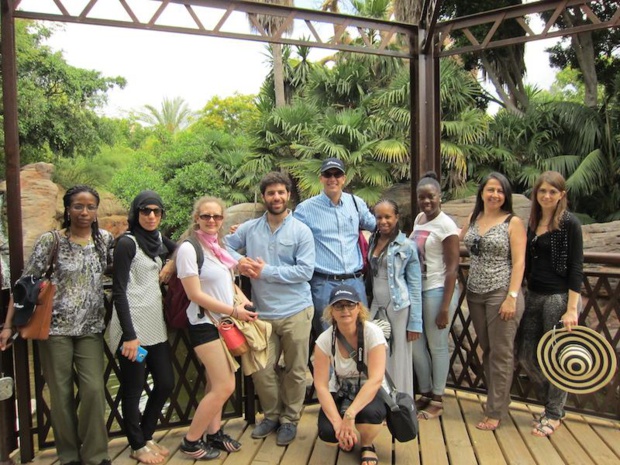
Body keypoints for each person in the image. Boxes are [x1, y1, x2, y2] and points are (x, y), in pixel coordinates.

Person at [0, 185, 114, 465]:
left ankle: (96, 455)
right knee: (60, 393)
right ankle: (69, 455)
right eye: (78, 206)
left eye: (90, 207)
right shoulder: (51, 241)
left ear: (96, 210)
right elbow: (24, 285)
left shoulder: (105, 240)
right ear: (67, 209)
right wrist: (7, 325)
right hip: (55, 329)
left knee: (94, 391)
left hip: (90, 328)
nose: (84, 212)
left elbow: (118, 269)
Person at [225, 172, 315, 446]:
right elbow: (223, 246)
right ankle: (272, 416)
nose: (276, 197)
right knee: (262, 369)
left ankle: (290, 420)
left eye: (281, 192)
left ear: (288, 196)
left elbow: (306, 270)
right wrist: (241, 262)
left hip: (297, 310)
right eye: (271, 193)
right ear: (264, 197)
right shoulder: (250, 228)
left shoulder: (301, 230)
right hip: (262, 314)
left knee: (296, 370)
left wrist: (265, 272)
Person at [176, 196, 258, 460]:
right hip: (204, 323)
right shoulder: (190, 249)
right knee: (225, 386)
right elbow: (195, 294)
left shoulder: (216, 246)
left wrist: (242, 300)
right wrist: (234, 311)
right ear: (196, 218)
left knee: (214, 382)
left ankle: (214, 433)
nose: (211, 221)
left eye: (216, 217)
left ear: (222, 220)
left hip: (222, 321)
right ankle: (190, 440)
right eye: (206, 216)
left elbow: (225, 280)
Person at [110, 191, 176, 463]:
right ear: (136, 213)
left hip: (155, 327)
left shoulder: (158, 239)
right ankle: (137, 445)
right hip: (132, 329)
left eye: (156, 212)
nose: (151, 216)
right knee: (134, 387)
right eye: (145, 211)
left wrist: (171, 262)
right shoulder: (127, 244)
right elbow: (118, 292)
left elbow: (183, 248)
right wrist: (129, 336)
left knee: (165, 383)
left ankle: (147, 435)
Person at [517, 171, 583, 437]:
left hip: (558, 297)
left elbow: (577, 267)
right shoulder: (532, 222)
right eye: (542, 191)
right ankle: (553, 404)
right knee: (526, 354)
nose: (546, 196)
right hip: (533, 294)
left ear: (561, 195)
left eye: (552, 192)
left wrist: (571, 309)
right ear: (536, 193)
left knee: (556, 357)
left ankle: (554, 413)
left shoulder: (570, 224)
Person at [460, 172, 526, 431]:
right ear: (482, 192)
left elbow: (519, 262)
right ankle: (497, 401)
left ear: (506, 195)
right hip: (475, 293)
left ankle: (496, 411)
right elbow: (457, 239)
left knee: (501, 353)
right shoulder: (474, 218)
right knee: (488, 351)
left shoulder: (513, 222)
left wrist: (511, 297)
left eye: (500, 190)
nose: (495, 195)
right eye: (490, 190)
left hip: (501, 292)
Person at [294, 158, 376, 338]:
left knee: (361, 333)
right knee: (327, 335)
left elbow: (377, 226)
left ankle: (359, 367)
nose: (333, 179)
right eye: (328, 174)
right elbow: (290, 235)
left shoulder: (356, 203)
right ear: (321, 178)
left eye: (337, 174)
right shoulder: (306, 209)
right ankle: (329, 367)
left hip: (354, 280)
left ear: (344, 178)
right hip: (324, 282)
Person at [314, 284, 387, 465]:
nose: (345, 310)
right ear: (331, 311)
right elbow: (321, 385)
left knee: (370, 414)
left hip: (369, 389)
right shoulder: (324, 340)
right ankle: (346, 435)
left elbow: (376, 378)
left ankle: (367, 444)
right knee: (328, 431)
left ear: (358, 308)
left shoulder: (373, 333)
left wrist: (349, 415)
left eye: (350, 305)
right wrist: (339, 423)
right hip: (341, 389)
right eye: (339, 306)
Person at [410, 173, 460, 419]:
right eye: (422, 197)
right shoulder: (420, 219)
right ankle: (426, 391)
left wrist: (444, 307)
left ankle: (438, 398)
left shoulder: (446, 226)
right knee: (416, 344)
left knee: (437, 345)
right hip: (418, 291)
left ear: (440, 197)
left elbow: (452, 268)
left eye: (431, 196)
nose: (426, 201)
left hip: (438, 290)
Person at [367, 199, 422, 399]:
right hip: (376, 305)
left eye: (388, 216)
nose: (383, 221)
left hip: (399, 307)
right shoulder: (373, 241)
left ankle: (401, 403)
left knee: (399, 356)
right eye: (379, 217)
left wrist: (415, 322)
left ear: (397, 217)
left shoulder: (407, 246)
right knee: (376, 352)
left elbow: (415, 285)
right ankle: (380, 400)